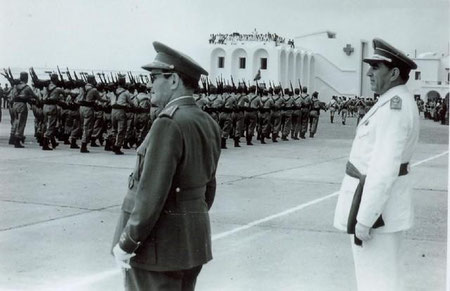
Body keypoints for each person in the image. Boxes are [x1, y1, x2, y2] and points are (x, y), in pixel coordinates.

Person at [111, 41, 221, 291]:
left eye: (155, 77)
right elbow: (208, 189)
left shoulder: (168, 122)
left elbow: (150, 194)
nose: (150, 85)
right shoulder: (206, 121)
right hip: (190, 242)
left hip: (158, 249)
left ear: (173, 80)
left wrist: (128, 242)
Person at [333, 38, 419, 291]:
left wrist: (365, 219)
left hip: (376, 214)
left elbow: (383, 169)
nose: (369, 72)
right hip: (379, 208)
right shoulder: (392, 102)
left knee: (376, 282)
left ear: (393, 73)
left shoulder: (395, 107)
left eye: (376, 67)